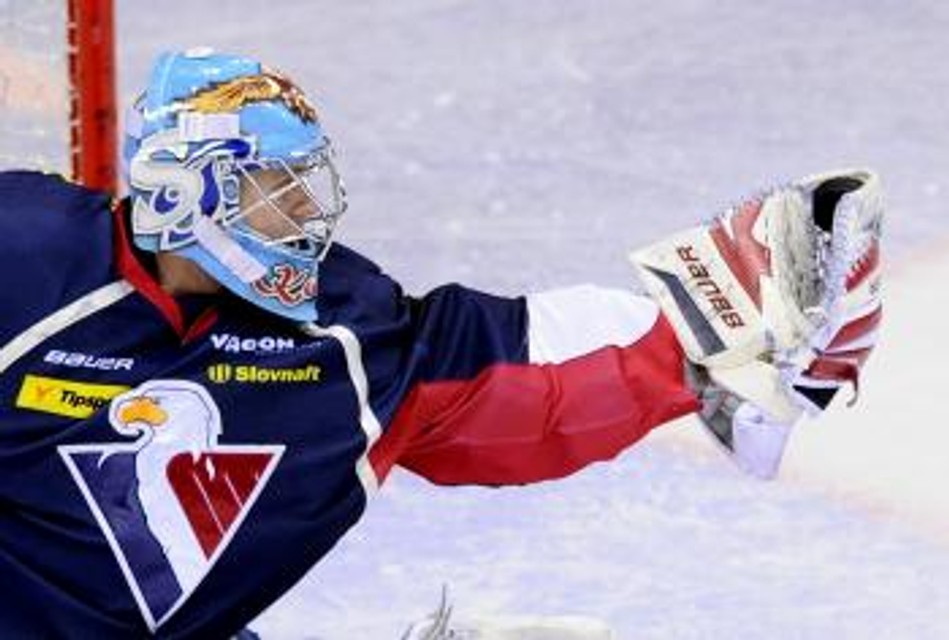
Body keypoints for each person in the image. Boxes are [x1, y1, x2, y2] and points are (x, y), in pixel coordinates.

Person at [0, 48, 882, 638]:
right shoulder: (23, 259)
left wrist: (698, 335)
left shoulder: (339, 335)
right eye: (273, 187)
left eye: (307, 184)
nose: (307, 212)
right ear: (182, 193)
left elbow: (511, 387)